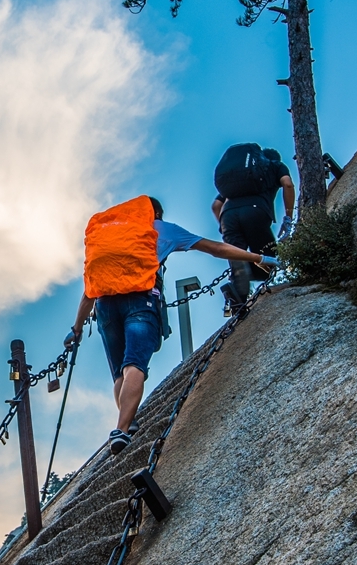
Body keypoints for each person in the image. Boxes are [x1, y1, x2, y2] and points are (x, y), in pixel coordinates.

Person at [66, 195, 263, 455]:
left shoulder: (108, 235)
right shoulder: (160, 229)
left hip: (104, 306)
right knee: (134, 363)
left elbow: (89, 290)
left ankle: (129, 422)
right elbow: (215, 248)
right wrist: (257, 258)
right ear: (155, 213)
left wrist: (76, 329)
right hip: (141, 300)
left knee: (119, 374)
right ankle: (121, 430)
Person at [211, 143, 296, 303]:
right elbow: (288, 184)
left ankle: (237, 298)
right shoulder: (275, 165)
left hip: (227, 216)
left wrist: (224, 229)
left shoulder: (242, 178)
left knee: (237, 257)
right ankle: (258, 280)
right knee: (267, 258)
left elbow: (216, 206)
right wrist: (288, 218)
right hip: (256, 211)